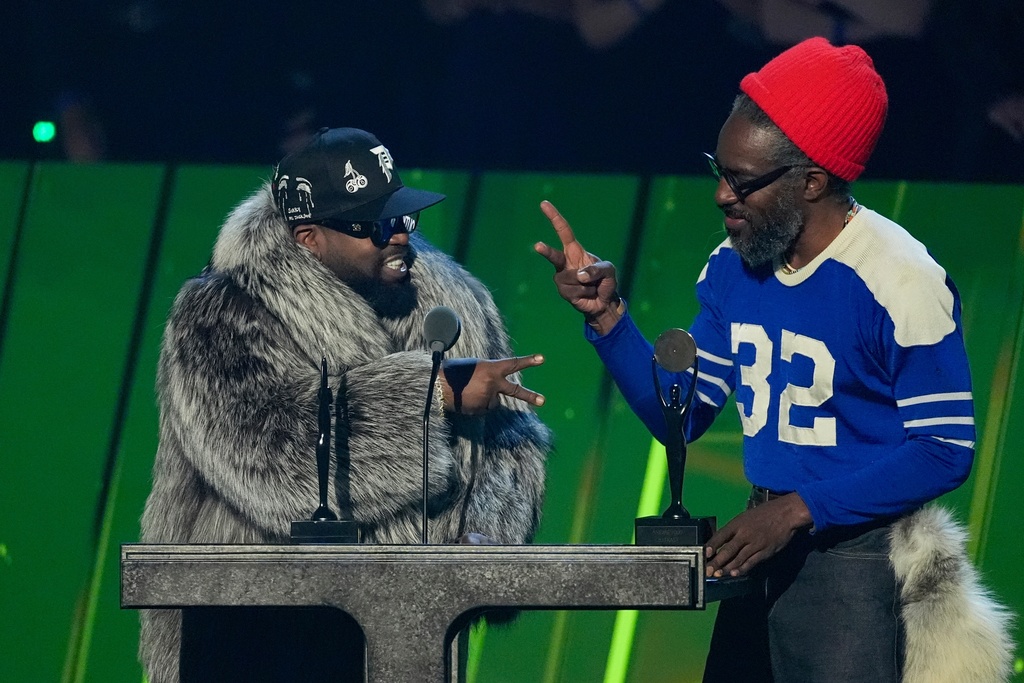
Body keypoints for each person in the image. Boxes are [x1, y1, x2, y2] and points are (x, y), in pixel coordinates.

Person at [536, 37, 1012, 682]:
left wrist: (795, 510)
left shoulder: (900, 279)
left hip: (856, 557)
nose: (720, 196)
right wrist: (608, 319)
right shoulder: (735, 266)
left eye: (743, 181)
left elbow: (945, 448)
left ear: (811, 181)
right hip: (763, 544)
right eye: (718, 170)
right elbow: (683, 413)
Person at [139, 127, 552, 682]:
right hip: (253, 621)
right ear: (309, 238)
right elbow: (271, 456)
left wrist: (483, 546)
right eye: (374, 226)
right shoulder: (220, 310)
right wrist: (434, 393)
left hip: (410, 625)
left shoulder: (453, 301)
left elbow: (512, 444)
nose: (400, 235)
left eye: (405, 216)